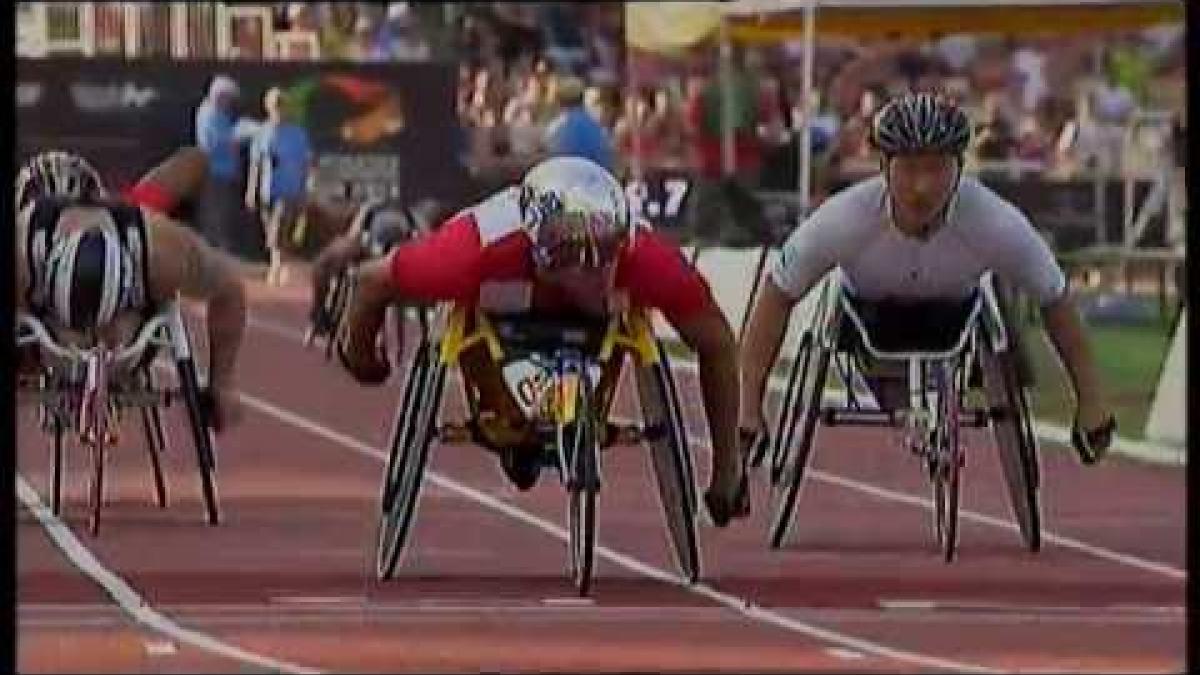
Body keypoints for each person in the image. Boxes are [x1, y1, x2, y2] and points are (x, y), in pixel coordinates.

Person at [337, 156, 749, 526]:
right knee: (467, 312)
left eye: (605, 252)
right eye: (575, 255)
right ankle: (507, 414)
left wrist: (727, 469)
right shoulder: (473, 252)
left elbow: (717, 343)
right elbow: (370, 281)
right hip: (498, 310)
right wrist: (361, 358)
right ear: (539, 249)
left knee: (622, 326)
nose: (595, 269)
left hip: (595, 332)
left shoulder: (648, 261)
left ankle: (580, 412)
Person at [738, 93, 1117, 467]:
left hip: (953, 321)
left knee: (1001, 309)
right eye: (909, 168)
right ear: (884, 165)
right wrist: (749, 407)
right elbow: (778, 293)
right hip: (868, 325)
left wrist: (1091, 400)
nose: (922, 186)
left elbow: (1055, 298)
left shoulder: (995, 221)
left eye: (937, 168)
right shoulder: (844, 217)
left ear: (959, 166)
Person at [15, 150, 248, 432]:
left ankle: (118, 331)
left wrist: (223, 381)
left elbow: (230, 287)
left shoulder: (160, 250)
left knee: (121, 330)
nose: (92, 339)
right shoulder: (21, 254)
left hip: (129, 329)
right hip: (44, 325)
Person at [247, 87, 314, 286]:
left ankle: (277, 266)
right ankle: (279, 263)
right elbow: (255, 163)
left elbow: (306, 163)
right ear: (268, 108)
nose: (278, 110)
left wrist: (305, 188)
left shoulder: (298, 134)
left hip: (290, 189)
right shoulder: (262, 132)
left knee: (279, 226)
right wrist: (251, 189)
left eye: (281, 106)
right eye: (275, 106)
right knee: (272, 231)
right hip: (268, 189)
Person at [541, 76, 615, 173]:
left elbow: (548, 161)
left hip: (566, 182)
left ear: (559, 101)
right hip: (595, 181)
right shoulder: (596, 127)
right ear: (582, 99)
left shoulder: (555, 129)